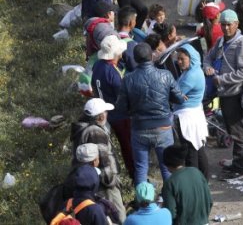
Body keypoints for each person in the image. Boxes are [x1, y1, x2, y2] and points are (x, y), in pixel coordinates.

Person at [115, 41, 185, 185]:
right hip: (163, 128)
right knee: (167, 167)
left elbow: (121, 107)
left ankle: (142, 202)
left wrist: (133, 110)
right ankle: (170, 201)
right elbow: (179, 98)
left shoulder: (128, 79)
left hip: (139, 128)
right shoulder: (165, 75)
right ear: (152, 56)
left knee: (141, 168)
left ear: (135, 58)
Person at [205, 8, 243, 176]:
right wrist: (208, 68)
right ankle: (238, 161)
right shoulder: (220, 41)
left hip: (236, 93)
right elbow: (208, 57)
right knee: (233, 130)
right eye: (223, 25)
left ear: (236, 24)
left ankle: (242, 167)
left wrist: (222, 79)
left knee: (239, 131)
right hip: (224, 94)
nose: (226, 28)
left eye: (229, 25)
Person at [71, 94, 126, 221]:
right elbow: (104, 160)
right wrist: (111, 181)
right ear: (100, 116)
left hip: (92, 181)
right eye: (105, 111)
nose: (107, 114)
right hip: (105, 184)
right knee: (118, 215)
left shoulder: (82, 128)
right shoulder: (95, 132)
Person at [171, 42, 209, 177]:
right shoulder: (192, 70)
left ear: (191, 58)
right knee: (198, 149)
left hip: (187, 118)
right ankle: (203, 179)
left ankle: (196, 182)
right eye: (178, 59)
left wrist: (177, 94)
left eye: (182, 59)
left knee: (190, 152)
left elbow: (174, 95)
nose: (179, 62)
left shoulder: (191, 76)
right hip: (193, 115)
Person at [161, 144, 213, 225]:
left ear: (167, 164)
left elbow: (170, 213)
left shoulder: (169, 183)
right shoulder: (197, 172)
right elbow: (210, 201)